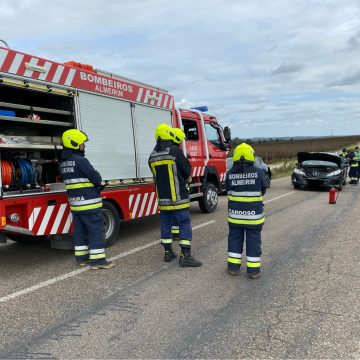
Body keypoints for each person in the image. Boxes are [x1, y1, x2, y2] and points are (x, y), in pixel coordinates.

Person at [60, 129, 114, 270]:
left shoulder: (64, 163)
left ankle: (82, 258)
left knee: (80, 231)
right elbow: (95, 177)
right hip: (89, 204)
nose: (84, 146)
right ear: (75, 144)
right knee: (96, 230)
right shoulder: (80, 160)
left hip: (76, 205)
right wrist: (99, 182)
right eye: (82, 144)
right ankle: (98, 261)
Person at [149, 124, 201, 267]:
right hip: (178, 198)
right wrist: (188, 182)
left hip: (163, 199)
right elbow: (187, 171)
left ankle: (168, 252)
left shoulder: (152, 156)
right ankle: (186, 255)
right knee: (184, 223)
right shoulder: (175, 151)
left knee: (166, 224)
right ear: (169, 135)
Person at [226, 143, 266, 279]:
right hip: (254, 217)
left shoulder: (229, 174)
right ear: (251, 156)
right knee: (253, 242)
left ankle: (233, 268)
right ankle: (253, 271)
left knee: (234, 240)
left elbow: (227, 190)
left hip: (235, 217)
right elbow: (263, 190)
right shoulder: (259, 172)